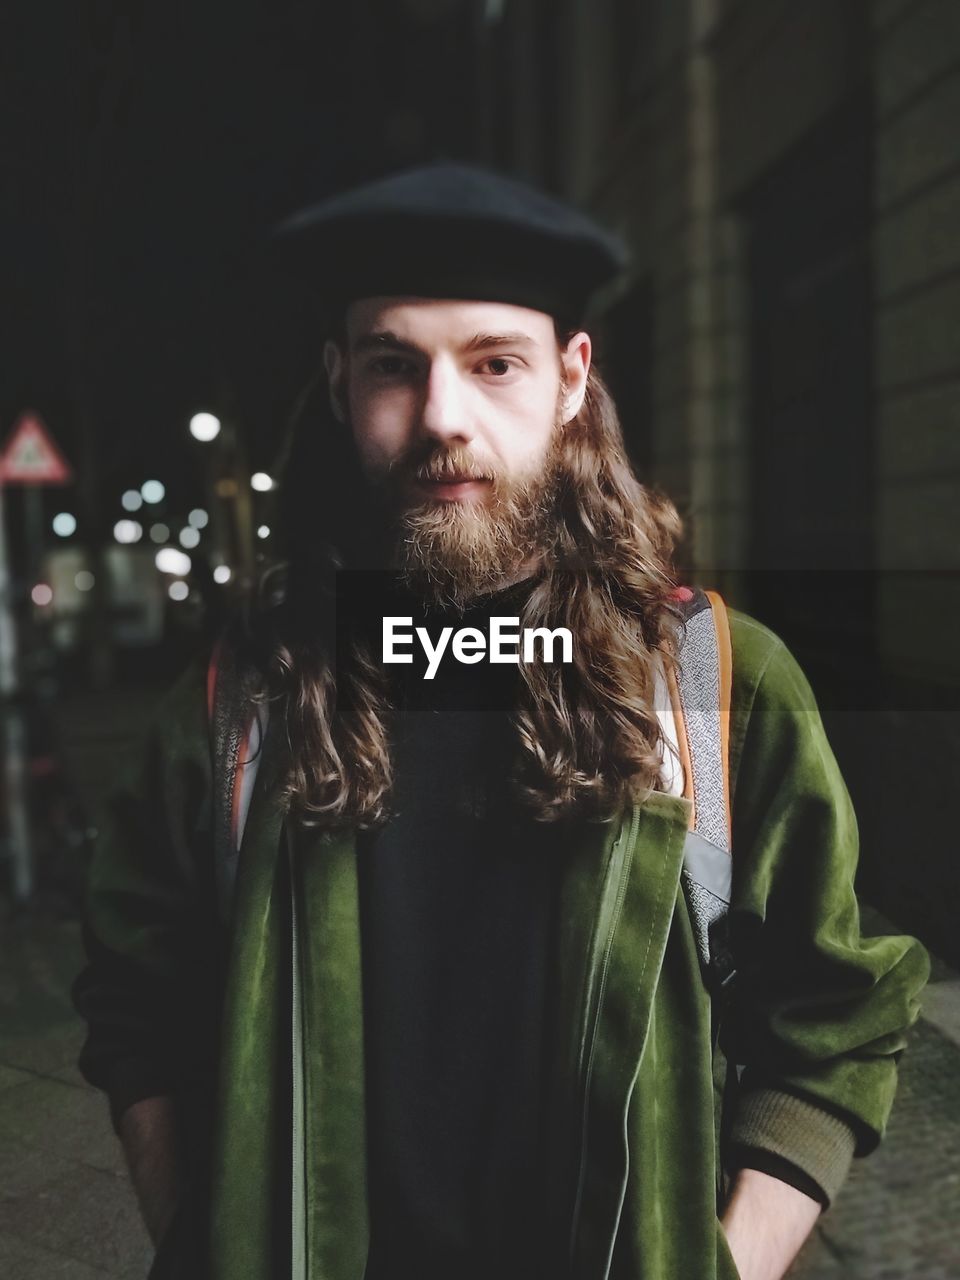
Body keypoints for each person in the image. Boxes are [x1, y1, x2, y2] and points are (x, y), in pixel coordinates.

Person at [73, 163, 929, 1280]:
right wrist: (203, 1235)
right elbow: (139, 999)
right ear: (339, 381)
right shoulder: (243, 694)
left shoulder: (717, 679)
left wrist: (727, 1259)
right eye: (394, 364)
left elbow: (839, 1013)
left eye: (493, 363)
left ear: (571, 378)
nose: (442, 415)